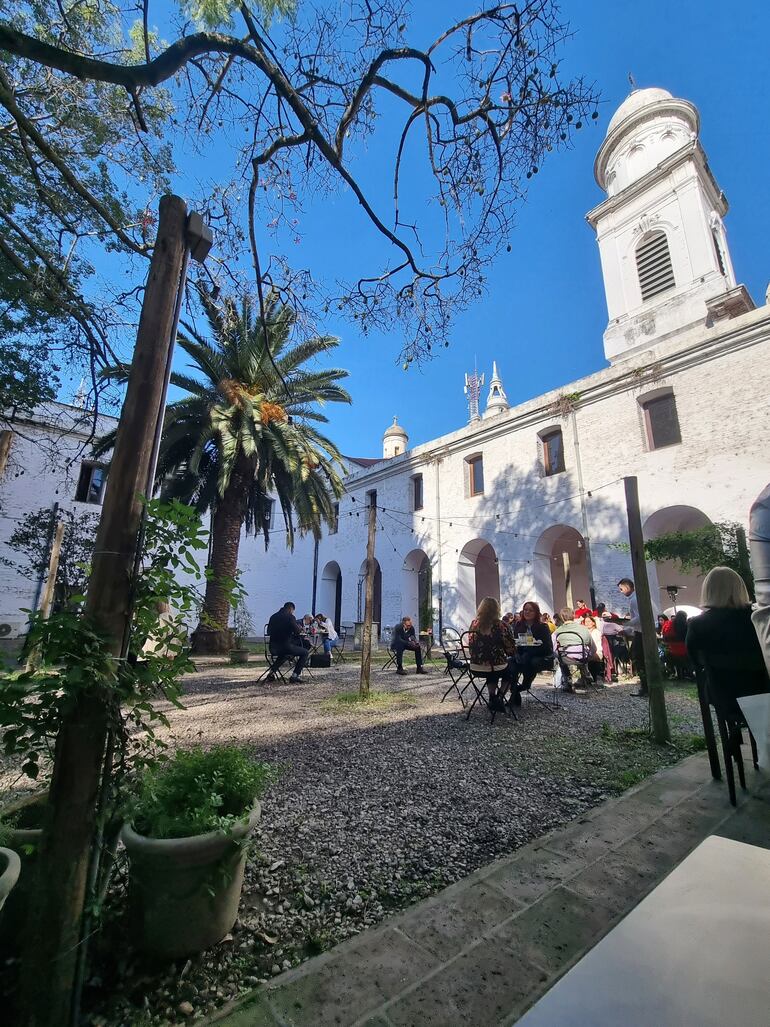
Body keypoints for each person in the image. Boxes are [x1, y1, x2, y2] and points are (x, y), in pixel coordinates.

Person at [686, 567, 769, 731]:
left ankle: (733, 738)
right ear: (740, 588)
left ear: (708, 591)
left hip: (725, 697)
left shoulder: (698, 625)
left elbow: (695, 660)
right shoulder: (757, 618)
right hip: (763, 692)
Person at [468, 596, 515, 712]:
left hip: (475, 666)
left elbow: (470, 646)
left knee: (492, 668)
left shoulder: (474, 624)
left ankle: (492, 697)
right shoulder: (502, 625)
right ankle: (499, 697)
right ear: (497, 609)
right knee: (511, 669)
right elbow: (510, 650)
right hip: (496, 666)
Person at [507, 601, 554, 706]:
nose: (527, 612)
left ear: (536, 613)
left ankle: (524, 686)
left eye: (530, 610)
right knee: (511, 663)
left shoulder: (543, 627)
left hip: (540, 657)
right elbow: (516, 643)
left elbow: (547, 647)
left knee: (530, 660)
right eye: (525, 610)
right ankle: (514, 692)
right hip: (523, 655)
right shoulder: (518, 625)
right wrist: (516, 654)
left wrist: (531, 651)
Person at [617, 577, 658, 698]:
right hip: (641, 632)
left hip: (642, 633)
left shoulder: (635, 600)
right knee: (638, 657)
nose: (621, 591)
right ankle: (646, 686)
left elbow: (640, 618)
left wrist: (626, 624)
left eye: (621, 589)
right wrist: (627, 629)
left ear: (628, 587)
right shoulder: (638, 598)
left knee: (638, 658)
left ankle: (645, 687)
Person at [554, 607, 599, 691]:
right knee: (584, 655)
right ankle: (584, 677)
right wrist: (589, 654)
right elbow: (593, 648)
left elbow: (553, 648)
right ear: (573, 616)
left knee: (560, 659)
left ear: (562, 617)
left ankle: (567, 681)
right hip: (582, 658)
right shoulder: (583, 629)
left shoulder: (558, 631)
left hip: (565, 658)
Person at [265, 601, 308, 683]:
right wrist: (299, 628)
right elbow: (297, 632)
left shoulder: (273, 616)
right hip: (285, 646)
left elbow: (268, 632)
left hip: (273, 647)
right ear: (290, 609)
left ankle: (271, 673)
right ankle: (295, 676)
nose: (292, 612)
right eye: (293, 611)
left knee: (284, 655)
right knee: (305, 652)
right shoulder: (290, 617)